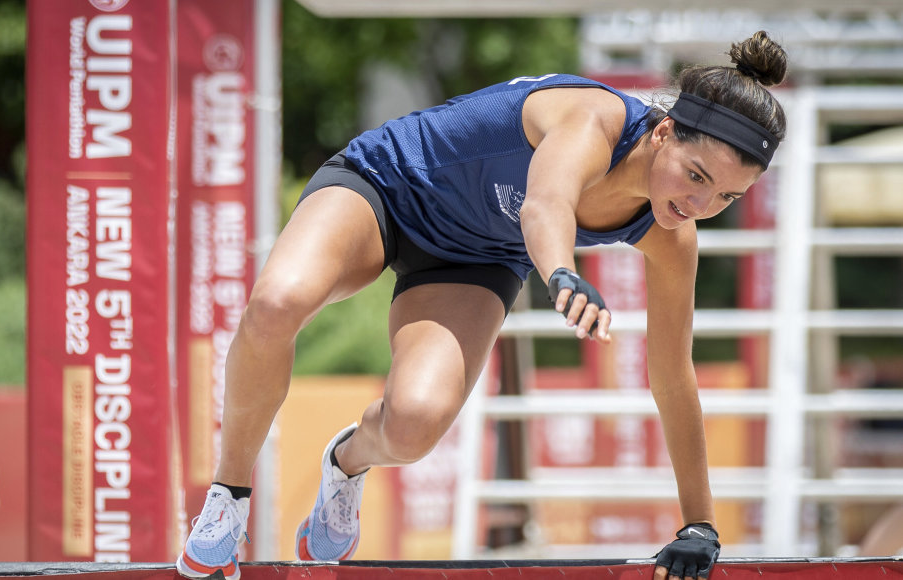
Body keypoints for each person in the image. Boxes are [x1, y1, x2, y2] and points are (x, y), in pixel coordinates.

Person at [175, 30, 788, 580]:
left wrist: (700, 525)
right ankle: (228, 497)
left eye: (727, 196)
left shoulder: (674, 237)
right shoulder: (593, 121)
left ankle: (345, 464)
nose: (700, 203)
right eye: (696, 175)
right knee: (277, 304)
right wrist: (562, 275)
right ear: (662, 135)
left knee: (413, 428)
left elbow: (673, 378)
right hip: (390, 185)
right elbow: (544, 206)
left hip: (476, 258)